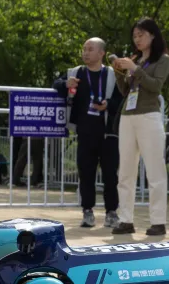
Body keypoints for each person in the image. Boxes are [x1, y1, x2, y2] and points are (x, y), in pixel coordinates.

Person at [52, 38, 123, 228]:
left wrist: (108, 104)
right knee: (86, 173)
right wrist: (66, 84)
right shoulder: (75, 73)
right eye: (84, 49)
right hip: (85, 131)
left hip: (109, 133)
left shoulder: (112, 75)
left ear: (101, 53)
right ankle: (87, 211)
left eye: (90, 49)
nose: (85, 52)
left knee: (110, 175)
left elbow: (121, 98)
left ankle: (111, 212)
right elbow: (56, 84)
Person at [112, 19, 169, 236]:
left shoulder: (163, 59)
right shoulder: (134, 59)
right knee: (125, 171)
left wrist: (135, 69)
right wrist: (119, 72)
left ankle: (158, 221)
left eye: (141, 35)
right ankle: (125, 219)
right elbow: (125, 90)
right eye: (135, 35)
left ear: (153, 35)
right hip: (128, 116)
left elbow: (155, 86)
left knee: (155, 170)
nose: (137, 39)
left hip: (149, 116)